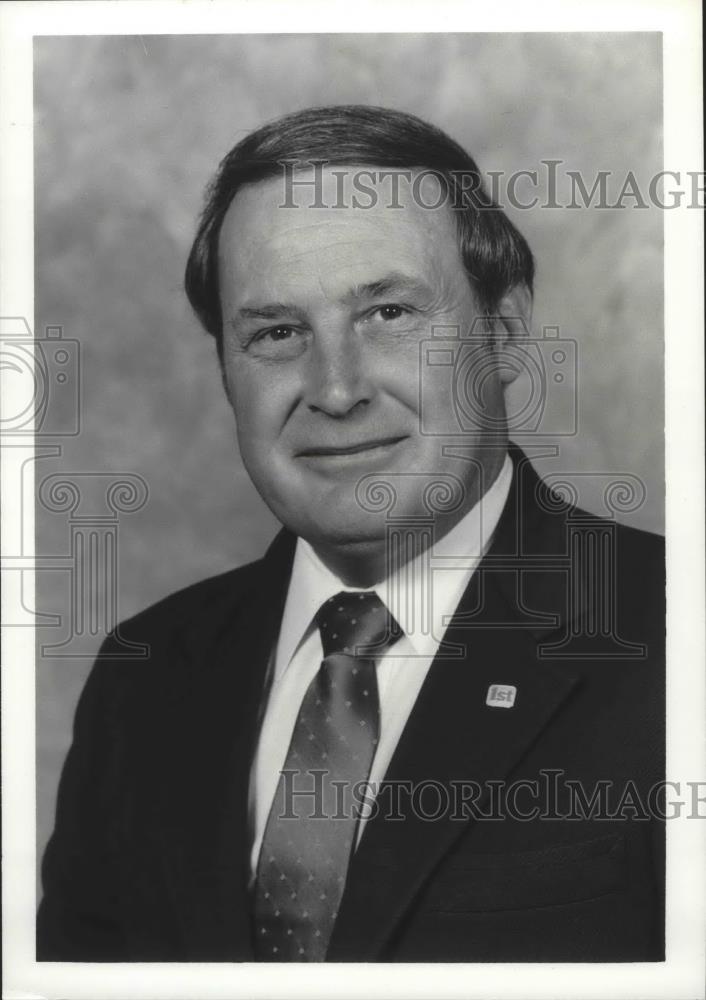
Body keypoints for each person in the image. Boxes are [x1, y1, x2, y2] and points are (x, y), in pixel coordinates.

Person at [37, 105, 665, 963]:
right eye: (278, 331)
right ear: (226, 368)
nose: (335, 390)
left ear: (507, 333)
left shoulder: (674, 636)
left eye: (389, 315)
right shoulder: (143, 677)